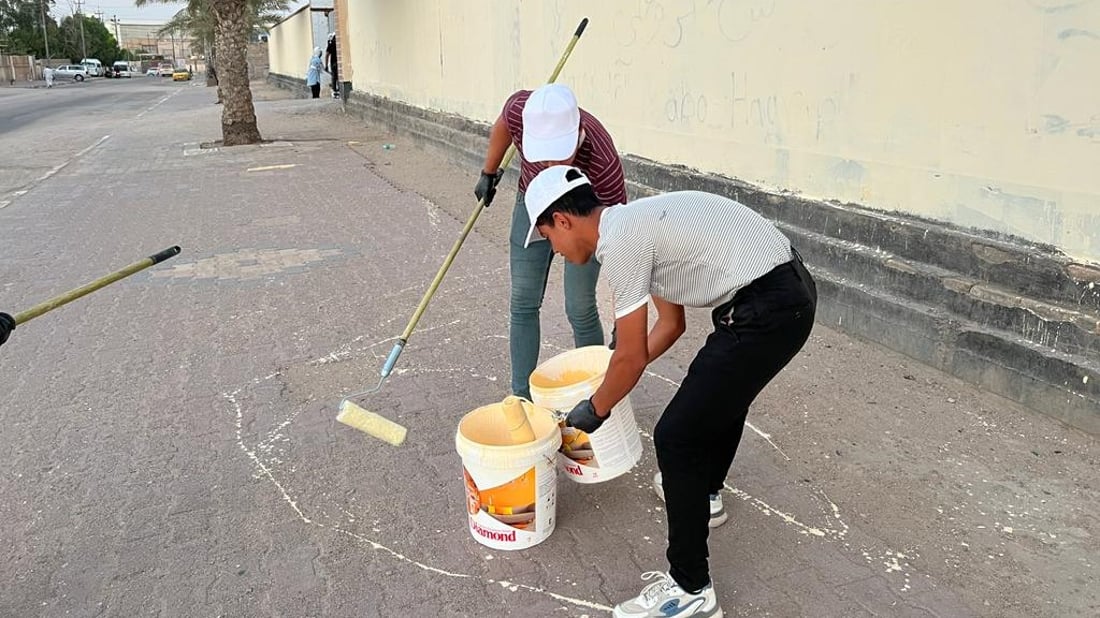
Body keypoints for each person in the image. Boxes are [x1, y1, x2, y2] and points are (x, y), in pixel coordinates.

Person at [525, 165, 818, 617]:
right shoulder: (633, 225)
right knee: (720, 397)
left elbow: (631, 359)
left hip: (768, 305)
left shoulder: (620, 242)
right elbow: (670, 325)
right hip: (786, 293)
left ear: (563, 220)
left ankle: (691, 590)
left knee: (676, 436)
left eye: (548, 238)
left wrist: (593, 411)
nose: (555, 250)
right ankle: (705, 496)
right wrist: (615, 366)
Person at [475, 83, 626, 400]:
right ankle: (521, 398)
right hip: (532, 204)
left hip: (586, 222)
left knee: (580, 307)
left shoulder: (603, 164)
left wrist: (625, 319)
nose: (549, 168)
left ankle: (595, 395)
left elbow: (620, 247)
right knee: (523, 301)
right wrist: (489, 171)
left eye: (558, 158)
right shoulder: (523, 110)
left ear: (576, 134)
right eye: (541, 159)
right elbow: (504, 122)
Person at [324, 32, 340, 99]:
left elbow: (327, 55)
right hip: (340, 62)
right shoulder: (339, 42)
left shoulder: (331, 44)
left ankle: (334, 90)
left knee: (334, 76)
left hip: (333, 63)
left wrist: (326, 65)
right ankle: (339, 90)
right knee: (339, 76)